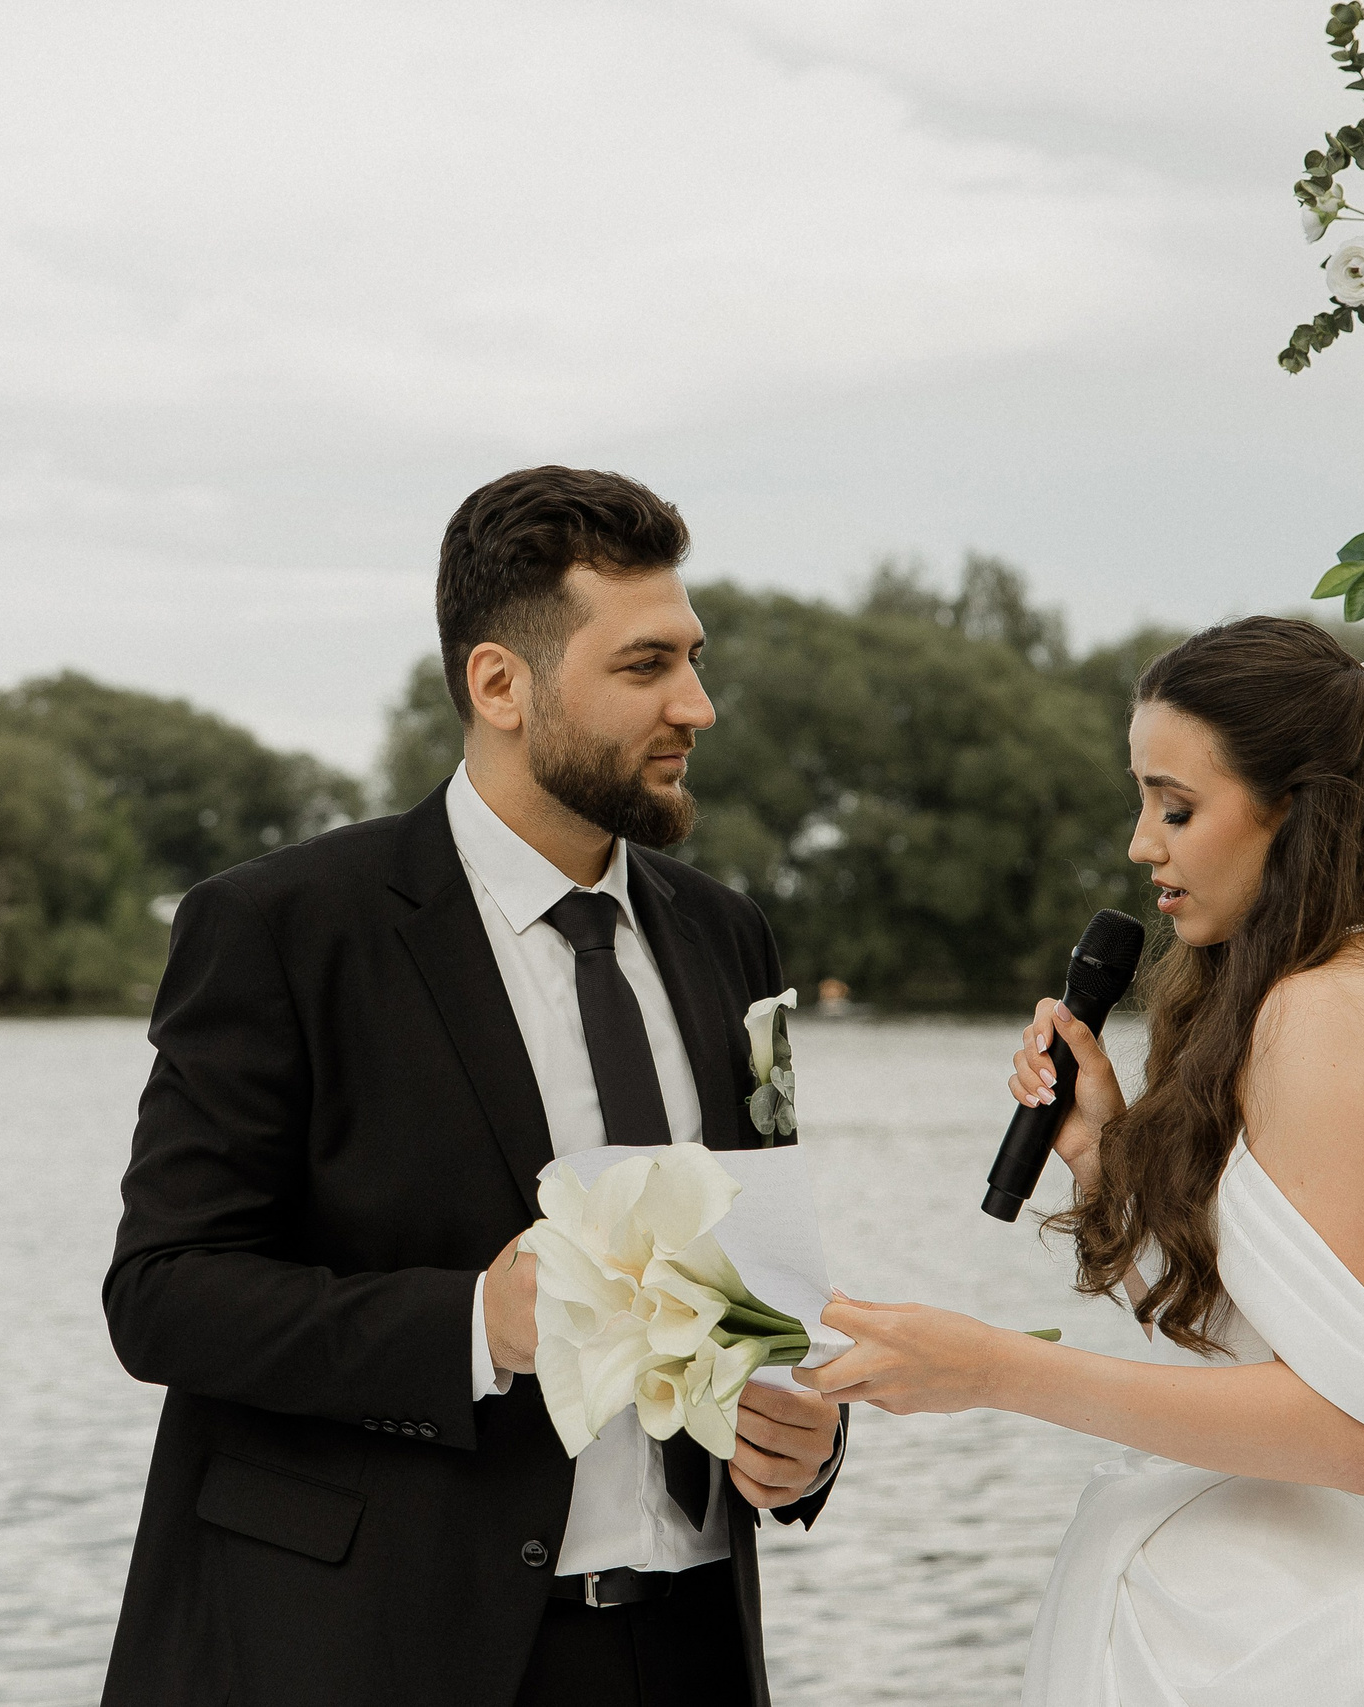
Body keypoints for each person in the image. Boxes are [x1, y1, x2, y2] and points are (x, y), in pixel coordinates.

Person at [797, 616, 1364, 1705]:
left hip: (1279, 1643)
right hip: (1250, 1602)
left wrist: (992, 1371)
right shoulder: (1328, 997)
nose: (1144, 844)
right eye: (1143, 803)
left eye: (1176, 807)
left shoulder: (1324, 1013)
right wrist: (1098, 1160)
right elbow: (1238, 1345)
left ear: (1294, 812)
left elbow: (1342, 1434)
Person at [100, 466, 843, 1707]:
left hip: (688, 1652)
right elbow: (164, 1296)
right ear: (499, 684)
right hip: (368, 1649)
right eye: (645, 666)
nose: (697, 706)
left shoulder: (732, 940)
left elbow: (764, 1272)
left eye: (694, 660)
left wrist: (801, 1434)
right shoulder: (280, 928)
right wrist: (474, 1327)